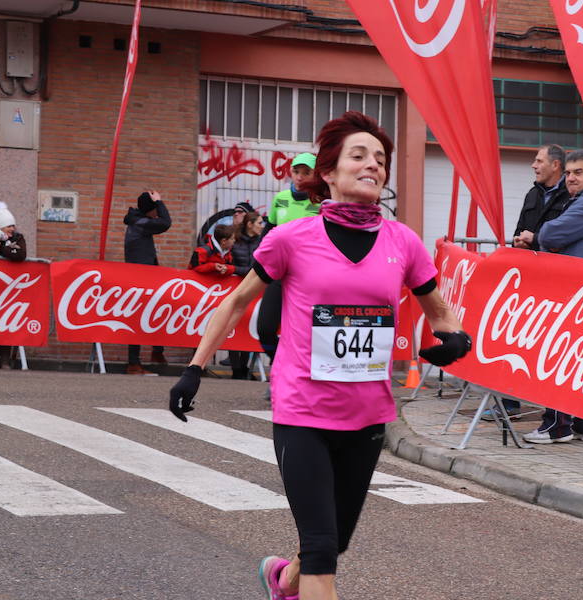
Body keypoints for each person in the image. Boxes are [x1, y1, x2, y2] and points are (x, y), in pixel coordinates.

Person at [168, 111, 471, 600]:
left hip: (368, 415)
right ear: (329, 172)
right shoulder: (290, 238)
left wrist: (454, 338)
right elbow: (236, 302)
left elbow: (439, 310)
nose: (373, 164)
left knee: (331, 545)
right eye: (359, 155)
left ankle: (280, 580)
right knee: (322, 548)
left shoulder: (403, 242)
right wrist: (193, 369)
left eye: (380, 158)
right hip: (302, 411)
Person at [519, 149, 583, 444]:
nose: (571, 178)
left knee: (562, 359)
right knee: (578, 360)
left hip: (578, 294)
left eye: (578, 173)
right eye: (569, 173)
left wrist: (543, 236)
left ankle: (557, 427)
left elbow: (550, 233)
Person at [493, 144, 571, 420]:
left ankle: (555, 409)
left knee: (550, 345)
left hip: (556, 283)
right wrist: (518, 240)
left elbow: (564, 237)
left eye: (539, 160)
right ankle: (508, 404)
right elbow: (518, 230)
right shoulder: (532, 193)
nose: (533, 165)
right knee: (513, 340)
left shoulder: (570, 196)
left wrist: (535, 239)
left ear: (555, 166)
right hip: (527, 279)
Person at [258, 153, 318, 399]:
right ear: (291, 173)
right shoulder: (280, 199)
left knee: (305, 333)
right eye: (297, 172)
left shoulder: (321, 202)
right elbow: (268, 234)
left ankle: (296, 381)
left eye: (306, 172)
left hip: (309, 278)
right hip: (279, 274)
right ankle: (279, 367)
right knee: (265, 328)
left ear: (315, 175)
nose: (301, 177)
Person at [123, 190, 171, 375]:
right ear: (149, 210)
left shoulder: (138, 221)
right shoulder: (140, 223)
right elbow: (166, 223)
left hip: (146, 278)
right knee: (138, 319)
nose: (157, 214)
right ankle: (134, 363)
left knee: (154, 314)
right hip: (140, 279)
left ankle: (156, 353)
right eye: (155, 210)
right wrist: (159, 202)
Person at [0, 202, 27, 369]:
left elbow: (21, 255)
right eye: (8, 226)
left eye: (13, 225)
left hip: (11, 287)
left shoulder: (18, 238)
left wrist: (1, 250)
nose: (12, 229)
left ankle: (3, 358)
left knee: (6, 319)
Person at [228, 211, 266, 379]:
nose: (262, 226)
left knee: (248, 327)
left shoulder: (263, 241)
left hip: (255, 289)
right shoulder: (235, 241)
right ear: (249, 225)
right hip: (235, 288)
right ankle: (236, 369)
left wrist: (238, 270)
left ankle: (244, 368)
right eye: (259, 223)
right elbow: (230, 264)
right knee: (233, 326)